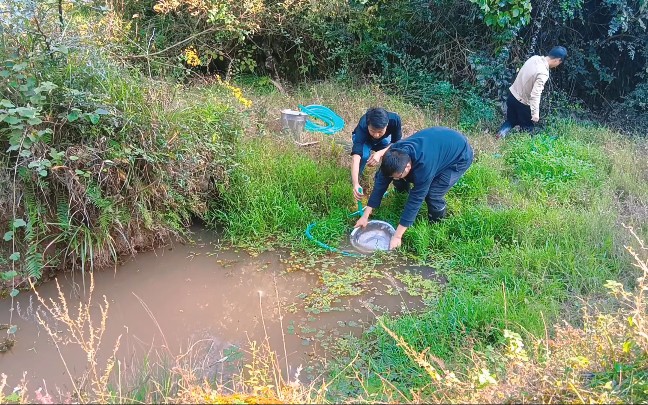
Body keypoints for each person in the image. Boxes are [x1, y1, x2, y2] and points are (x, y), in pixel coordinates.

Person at [354, 127, 473, 250]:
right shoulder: (393, 153)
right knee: (397, 178)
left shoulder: (424, 167)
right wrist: (365, 216)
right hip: (438, 143)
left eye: (398, 175)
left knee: (432, 193)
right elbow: (381, 183)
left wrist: (397, 236)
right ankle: (401, 194)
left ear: (408, 166)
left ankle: (436, 223)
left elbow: (416, 199)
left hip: (459, 155)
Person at [496, 46, 568, 139]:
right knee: (527, 128)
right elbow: (535, 94)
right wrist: (535, 114)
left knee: (511, 120)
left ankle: (501, 134)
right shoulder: (543, 73)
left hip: (512, 95)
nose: (557, 65)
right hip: (522, 103)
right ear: (557, 60)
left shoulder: (534, 58)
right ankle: (524, 148)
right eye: (559, 63)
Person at [350, 107, 402, 201]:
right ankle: (356, 179)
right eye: (372, 131)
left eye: (380, 131)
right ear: (368, 125)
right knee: (364, 156)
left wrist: (380, 153)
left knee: (389, 155)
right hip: (364, 140)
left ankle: (380, 183)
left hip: (383, 140)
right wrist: (355, 184)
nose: (376, 135)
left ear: (387, 125)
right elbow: (356, 156)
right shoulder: (363, 125)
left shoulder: (395, 120)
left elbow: (397, 143)